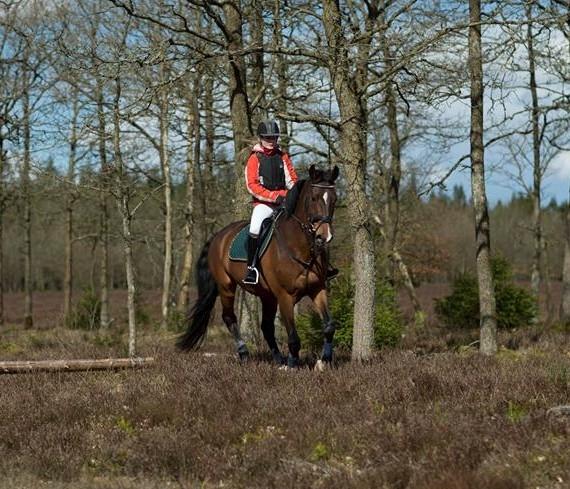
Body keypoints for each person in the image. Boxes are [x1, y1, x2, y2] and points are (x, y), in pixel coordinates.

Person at [243, 119, 298, 285]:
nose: (271, 141)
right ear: (261, 138)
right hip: (264, 204)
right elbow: (252, 185)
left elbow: (292, 180)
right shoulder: (255, 158)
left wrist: (290, 195)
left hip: (284, 202)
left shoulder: (283, 156)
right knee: (254, 228)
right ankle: (251, 267)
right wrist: (273, 197)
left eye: (274, 137)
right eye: (268, 138)